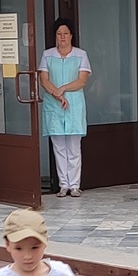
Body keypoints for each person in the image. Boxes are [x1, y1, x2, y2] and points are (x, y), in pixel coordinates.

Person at [38, 18, 92, 198]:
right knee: (59, 147)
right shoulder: (47, 55)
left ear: (71, 36)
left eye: (66, 33)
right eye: (59, 34)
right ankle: (63, 185)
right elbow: (44, 80)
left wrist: (62, 89)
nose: (62, 37)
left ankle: (75, 185)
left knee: (74, 147)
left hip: (74, 105)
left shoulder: (81, 55)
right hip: (54, 105)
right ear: (55, 36)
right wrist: (57, 94)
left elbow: (82, 81)